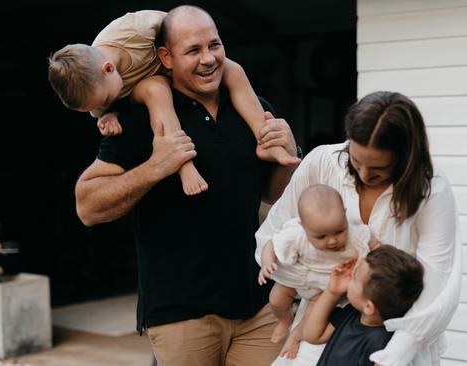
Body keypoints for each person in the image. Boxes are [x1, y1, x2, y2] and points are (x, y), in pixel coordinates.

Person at [74, 5, 300, 366]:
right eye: (194, 51)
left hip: (257, 305)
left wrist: (289, 154)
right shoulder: (139, 119)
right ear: (165, 57)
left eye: (215, 45)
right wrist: (154, 167)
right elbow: (87, 206)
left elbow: (276, 196)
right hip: (181, 313)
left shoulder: (253, 109)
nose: (209, 59)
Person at [256, 91, 462, 366]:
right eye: (357, 161)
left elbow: (438, 285)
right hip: (320, 325)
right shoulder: (323, 163)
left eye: (378, 168)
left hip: (395, 333)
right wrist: (325, 282)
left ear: (406, 156)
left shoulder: (431, 190)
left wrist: (395, 354)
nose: (364, 175)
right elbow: (270, 238)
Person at [48, 10, 298, 196]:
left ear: (109, 68)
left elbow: (180, 25)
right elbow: (103, 106)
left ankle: (266, 140)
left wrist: (193, 45)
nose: (101, 106)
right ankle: (183, 163)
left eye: (104, 101)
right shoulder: (98, 89)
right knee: (156, 90)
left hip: (175, 64)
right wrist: (109, 115)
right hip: (153, 85)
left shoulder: (132, 31)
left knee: (235, 70)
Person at [258, 184, 377, 359]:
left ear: (345, 215)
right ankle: (285, 320)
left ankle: (296, 335)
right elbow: (271, 244)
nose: (332, 241)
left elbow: (374, 245)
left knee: (312, 317)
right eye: (321, 237)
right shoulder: (296, 233)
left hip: (325, 286)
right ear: (303, 225)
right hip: (300, 277)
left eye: (339, 231)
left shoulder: (356, 235)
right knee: (276, 300)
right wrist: (267, 263)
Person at [303, 245, 424, 366]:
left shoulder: (381, 343)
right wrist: (332, 292)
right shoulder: (352, 313)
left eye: (354, 277)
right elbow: (312, 335)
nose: (350, 276)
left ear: (368, 306)